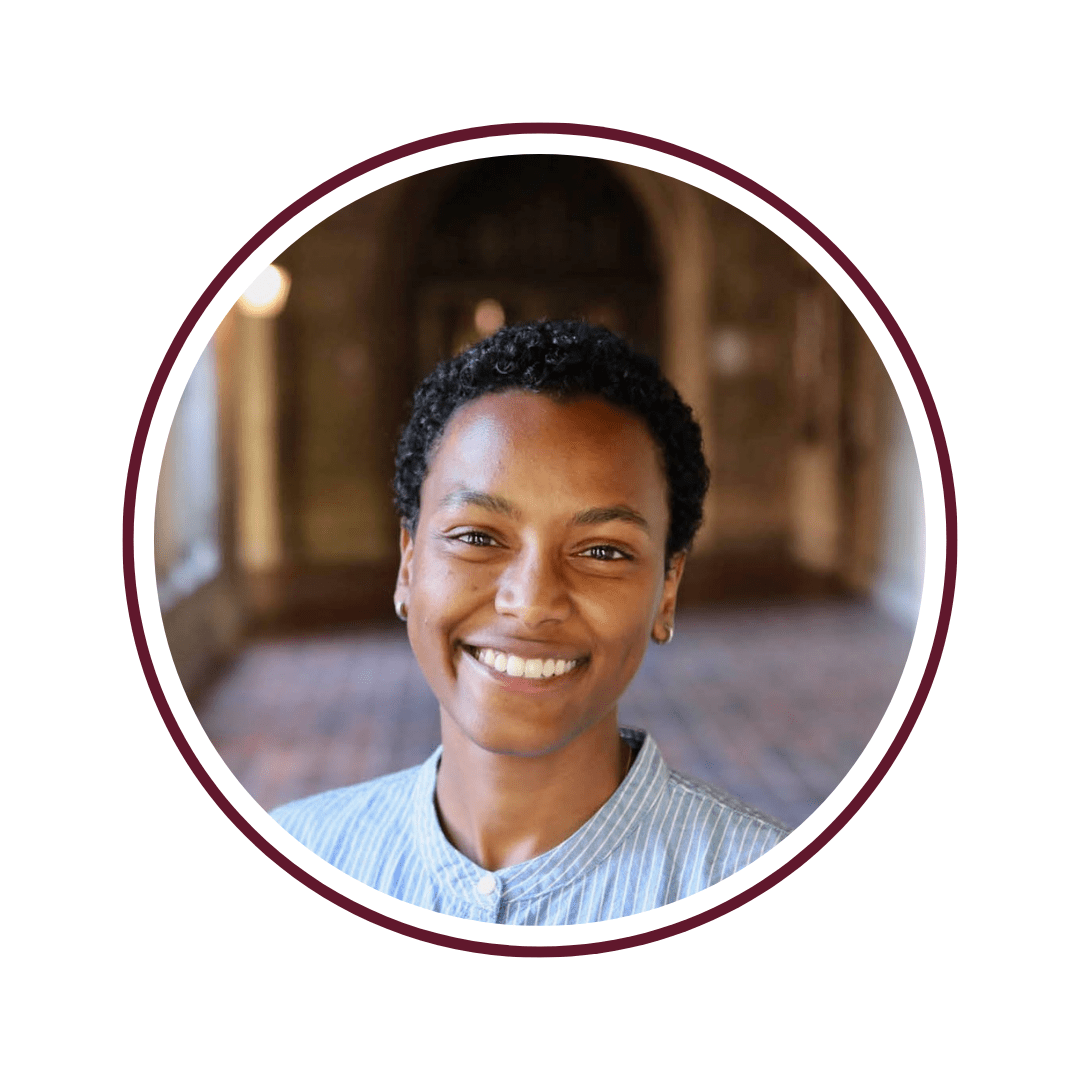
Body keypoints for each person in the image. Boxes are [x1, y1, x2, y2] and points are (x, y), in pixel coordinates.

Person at [272, 320, 788, 924]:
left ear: (667, 589)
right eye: (476, 537)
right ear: (409, 563)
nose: (532, 600)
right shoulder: (300, 856)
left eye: (602, 550)